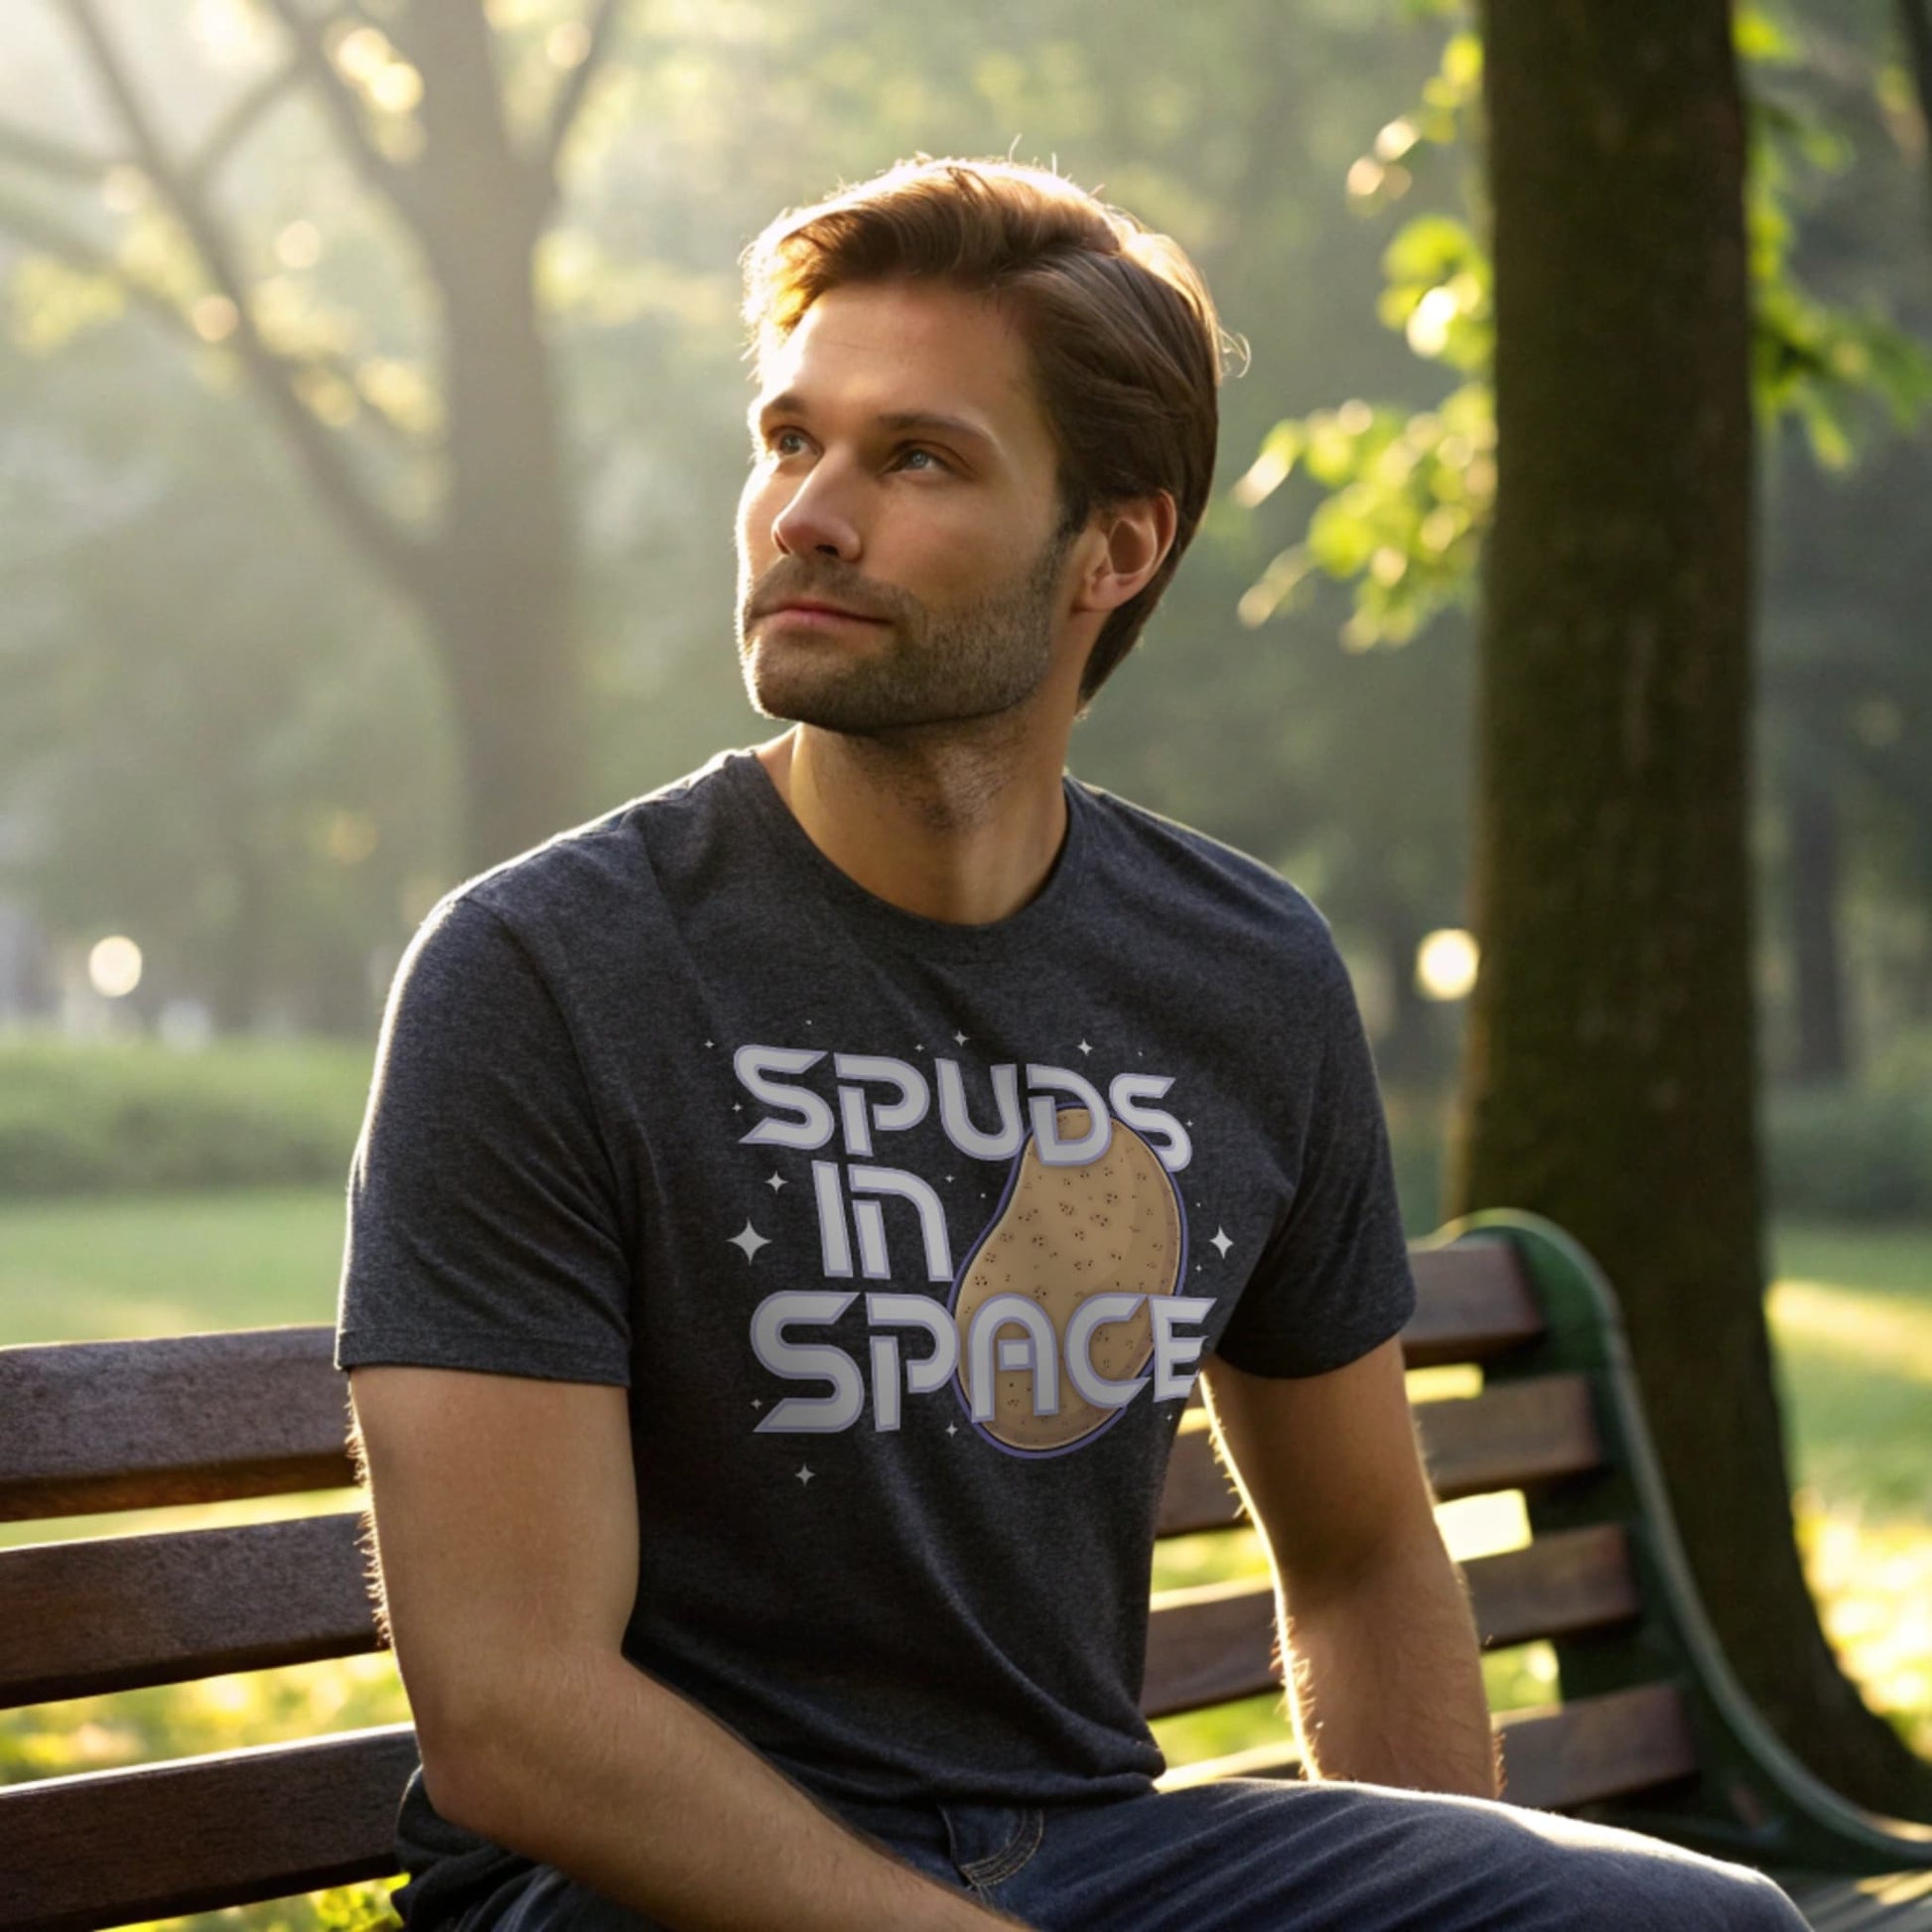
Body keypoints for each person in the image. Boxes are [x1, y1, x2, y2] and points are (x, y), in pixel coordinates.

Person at [336, 157, 1805, 1932]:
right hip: (641, 1886)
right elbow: (512, 1716)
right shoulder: (546, 967)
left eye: (915, 457)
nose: (806, 512)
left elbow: (1357, 1553)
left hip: (1087, 1846)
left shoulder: (1240, 970)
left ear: (1114, 544)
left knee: (1698, 1925)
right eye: (788, 438)